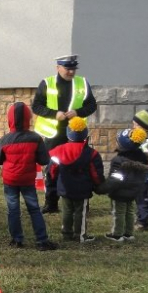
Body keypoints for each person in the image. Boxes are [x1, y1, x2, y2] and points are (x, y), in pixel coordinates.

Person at [32, 54, 97, 214]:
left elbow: (92, 105)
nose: (71, 72)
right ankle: (51, 203)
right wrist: (54, 114)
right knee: (52, 169)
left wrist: (78, 112)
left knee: (79, 168)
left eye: (73, 69)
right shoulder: (47, 83)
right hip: (54, 135)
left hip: (76, 134)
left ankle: (81, 205)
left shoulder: (82, 83)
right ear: (58, 68)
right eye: (67, 69)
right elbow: (36, 106)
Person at [0, 102, 58, 250]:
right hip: (27, 180)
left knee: (13, 210)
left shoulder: (5, 140)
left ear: (10, 120)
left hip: (10, 180)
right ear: (28, 119)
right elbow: (44, 160)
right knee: (34, 209)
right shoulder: (35, 138)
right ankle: (42, 241)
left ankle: (17, 240)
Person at [48, 117, 105, 243]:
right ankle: (80, 235)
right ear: (85, 135)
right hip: (83, 189)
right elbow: (96, 173)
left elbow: (52, 170)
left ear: (68, 134)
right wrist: (99, 185)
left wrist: (53, 181)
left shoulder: (58, 151)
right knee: (81, 212)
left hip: (64, 187)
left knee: (67, 211)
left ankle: (66, 234)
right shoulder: (92, 154)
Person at [97, 128, 148, 242]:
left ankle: (117, 235)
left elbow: (115, 179)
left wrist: (102, 188)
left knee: (119, 213)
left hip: (119, 193)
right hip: (133, 192)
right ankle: (128, 233)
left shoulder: (119, 161)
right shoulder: (143, 159)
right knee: (130, 212)